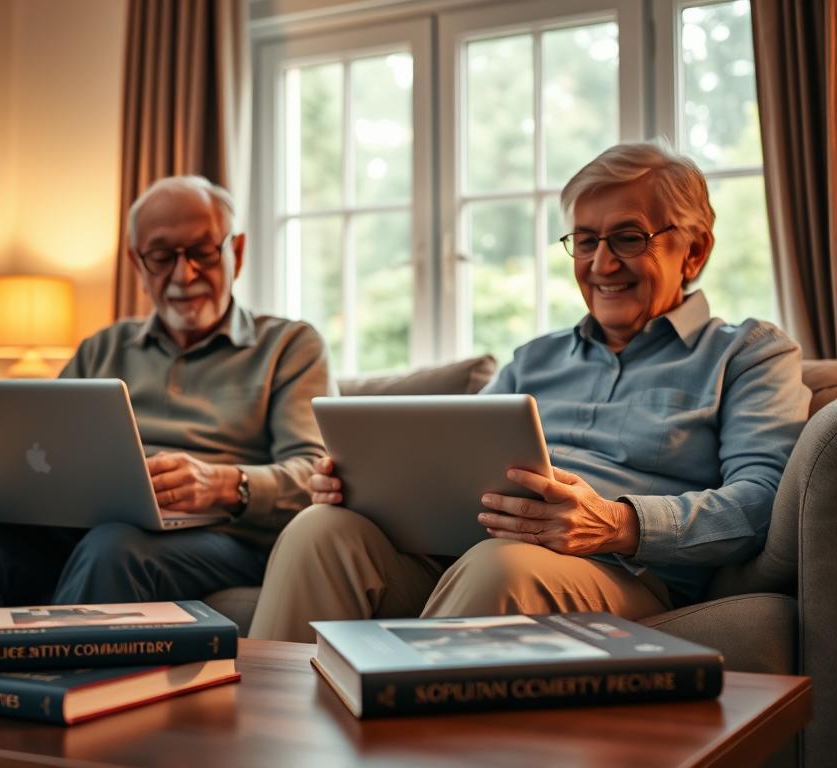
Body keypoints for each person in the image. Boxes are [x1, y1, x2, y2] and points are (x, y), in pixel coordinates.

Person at [249, 142, 810, 643]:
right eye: (585, 241)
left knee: (504, 567)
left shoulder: (749, 353)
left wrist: (616, 523)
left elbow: (763, 503)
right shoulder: (533, 360)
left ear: (693, 252)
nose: (601, 263)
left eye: (629, 238)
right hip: (479, 553)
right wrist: (361, 486)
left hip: (625, 575)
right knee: (319, 532)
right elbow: (446, 464)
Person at [0, 175, 334, 609]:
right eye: (162, 256)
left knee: (114, 548)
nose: (184, 274)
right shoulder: (102, 348)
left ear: (236, 253)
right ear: (137, 263)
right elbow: (34, 451)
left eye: (203, 251)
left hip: (221, 539)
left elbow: (314, 474)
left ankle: (71, 680)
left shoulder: (290, 347)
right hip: (89, 529)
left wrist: (224, 484)